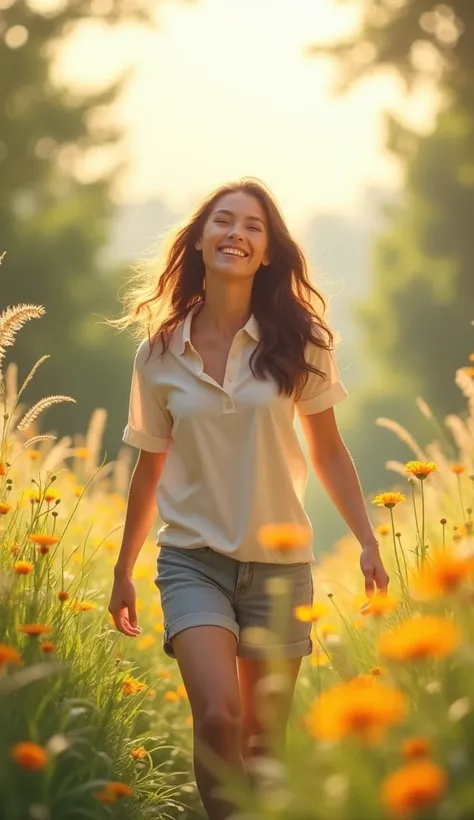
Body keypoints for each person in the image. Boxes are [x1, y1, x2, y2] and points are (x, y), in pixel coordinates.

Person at [107, 177, 389, 820]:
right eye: (223, 222)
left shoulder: (302, 342)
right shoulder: (157, 354)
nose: (237, 233)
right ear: (201, 242)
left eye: (253, 226)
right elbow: (149, 469)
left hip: (280, 568)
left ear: (267, 253)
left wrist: (369, 539)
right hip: (192, 560)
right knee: (217, 716)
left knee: (263, 746)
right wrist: (124, 570)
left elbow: (327, 451)